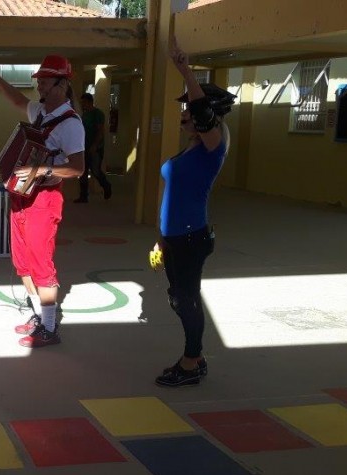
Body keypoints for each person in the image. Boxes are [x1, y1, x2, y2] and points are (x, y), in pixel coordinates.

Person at [0, 55, 85, 348]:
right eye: (40, 81)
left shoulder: (71, 123)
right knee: (22, 263)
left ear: (62, 84)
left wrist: (42, 170)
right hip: (22, 197)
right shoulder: (40, 112)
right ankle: (39, 316)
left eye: (46, 82)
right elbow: (16, 99)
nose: (40, 86)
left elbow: (77, 168)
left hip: (44, 199)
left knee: (40, 263)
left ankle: (49, 328)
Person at [153, 36, 236, 387]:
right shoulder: (191, 148)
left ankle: (190, 363)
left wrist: (186, 72)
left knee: (185, 300)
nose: (185, 114)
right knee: (179, 298)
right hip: (175, 237)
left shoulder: (214, 144)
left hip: (190, 237)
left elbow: (204, 117)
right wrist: (161, 238)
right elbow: (171, 194)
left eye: (189, 108)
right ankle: (195, 357)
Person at [75, 92, 112, 203]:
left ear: (89, 102)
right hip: (84, 147)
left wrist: (95, 145)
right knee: (83, 172)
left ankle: (106, 185)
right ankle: (83, 196)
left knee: (95, 170)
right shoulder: (84, 115)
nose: (82, 105)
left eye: (84, 102)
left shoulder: (98, 114)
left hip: (95, 148)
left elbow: (100, 131)